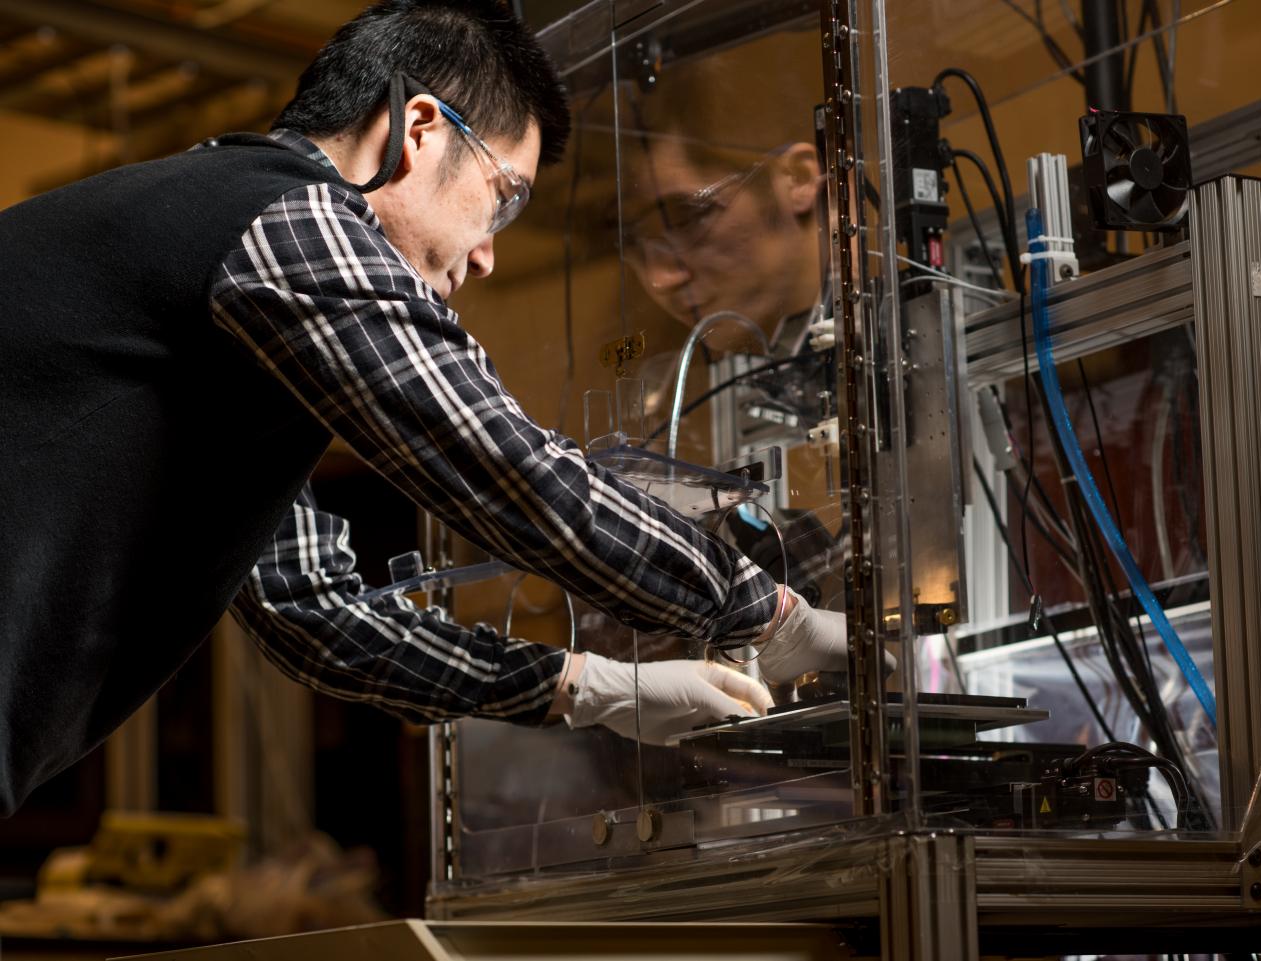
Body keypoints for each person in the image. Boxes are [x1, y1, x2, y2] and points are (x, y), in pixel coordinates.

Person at [0, 0, 848, 817]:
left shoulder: (227, 277)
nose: (485, 257)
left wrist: (583, 687)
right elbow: (500, 463)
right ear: (419, 130)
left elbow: (311, 612)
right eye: (503, 197)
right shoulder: (280, 216)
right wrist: (765, 610)